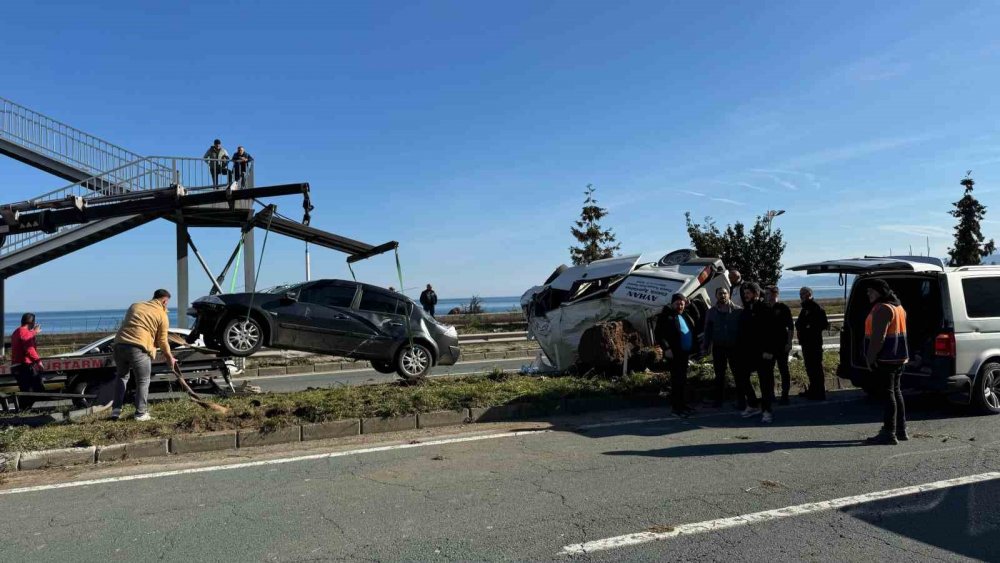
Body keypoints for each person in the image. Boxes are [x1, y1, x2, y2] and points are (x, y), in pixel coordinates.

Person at [110, 289, 178, 421]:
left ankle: (116, 411)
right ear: (164, 301)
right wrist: (170, 357)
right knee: (143, 380)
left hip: (119, 344)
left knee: (122, 377)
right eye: (167, 303)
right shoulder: (162, 314)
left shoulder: (135, 305)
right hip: (138, 347)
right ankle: (141, 413)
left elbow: (133, 325)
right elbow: (162, 341)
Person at [864, 279, 909, 445]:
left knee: (888, 393)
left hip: (886, 357)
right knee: (896, 392)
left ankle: (888, 432)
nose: (868, 294)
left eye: (870, 291)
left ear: (878, 292)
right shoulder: (898, 307)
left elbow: (878, 338)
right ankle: (901, 429)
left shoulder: (883, 308)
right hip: (899, 356)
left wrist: (870, 358)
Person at [655, 294, 700, 417]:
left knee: (683, 380)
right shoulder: (666, 316)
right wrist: (667, 348)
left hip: (684, 353)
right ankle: (676, 408)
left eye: (682, 303)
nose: (680, 305)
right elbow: (659, 334)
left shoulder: (684, 314)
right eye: (677, 303)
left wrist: (692, 305)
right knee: (677, 381)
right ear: (672, 304)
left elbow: (697, 318)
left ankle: (683, 405)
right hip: (674, 353)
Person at [702, 287, 742, 408]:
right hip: (718, 347)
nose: (723, 296)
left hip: (734, 348)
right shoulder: (711, 312)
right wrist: (706, 346)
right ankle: (718, 400)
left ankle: (741, 400)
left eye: (725, 293)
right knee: (719, 375)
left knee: (738, 374)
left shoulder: (738, 311)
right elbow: (707, 330)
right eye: (720, 294)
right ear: (716, 295)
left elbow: (743, 331)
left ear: (728, 295)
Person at [736, 283, 769, 422]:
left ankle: (767, 411)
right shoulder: (746, 309)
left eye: (748, 293)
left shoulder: (764, 309)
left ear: (756, 293)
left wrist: (768, 350)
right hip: (747, 351)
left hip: (762, 352)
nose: (745, 295)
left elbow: (770, 332)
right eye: (745, 293)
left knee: (764, 382)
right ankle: (753, 404)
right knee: (742, 376)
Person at [796, 287, 829, 400]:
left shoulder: (816, 307)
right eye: (800, 294)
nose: (801, 296)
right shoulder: (805, 308)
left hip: (814, 343)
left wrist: (809, 327)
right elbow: (799, 323)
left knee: (816, 368)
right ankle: (813, 390)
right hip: (806, 343)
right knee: (810, 368)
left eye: (803, 293)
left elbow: (823, 324)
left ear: (809, 294)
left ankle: (819, 392)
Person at [764, 286, 795, 405]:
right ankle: (770, 395)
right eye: (765, 294)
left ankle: (785, 395)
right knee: (768, 371)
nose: (766, 296)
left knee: (784, 370)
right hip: (768, 346)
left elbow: (790, 327)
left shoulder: (783, 308)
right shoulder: (764, 308)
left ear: (775, 294)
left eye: (768, 293)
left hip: (781, 344)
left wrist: (789, 342)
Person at [10, 313, 44, 410]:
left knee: (27, 390)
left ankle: (24, 410)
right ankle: (23, 411)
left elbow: (25, 337)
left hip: (17, 366)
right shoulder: (25, 333)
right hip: (23, 366)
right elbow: (29, 349)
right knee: (33, 390)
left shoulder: (17, 331)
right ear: (32, 322)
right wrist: (38, 362)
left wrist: (33, 332)